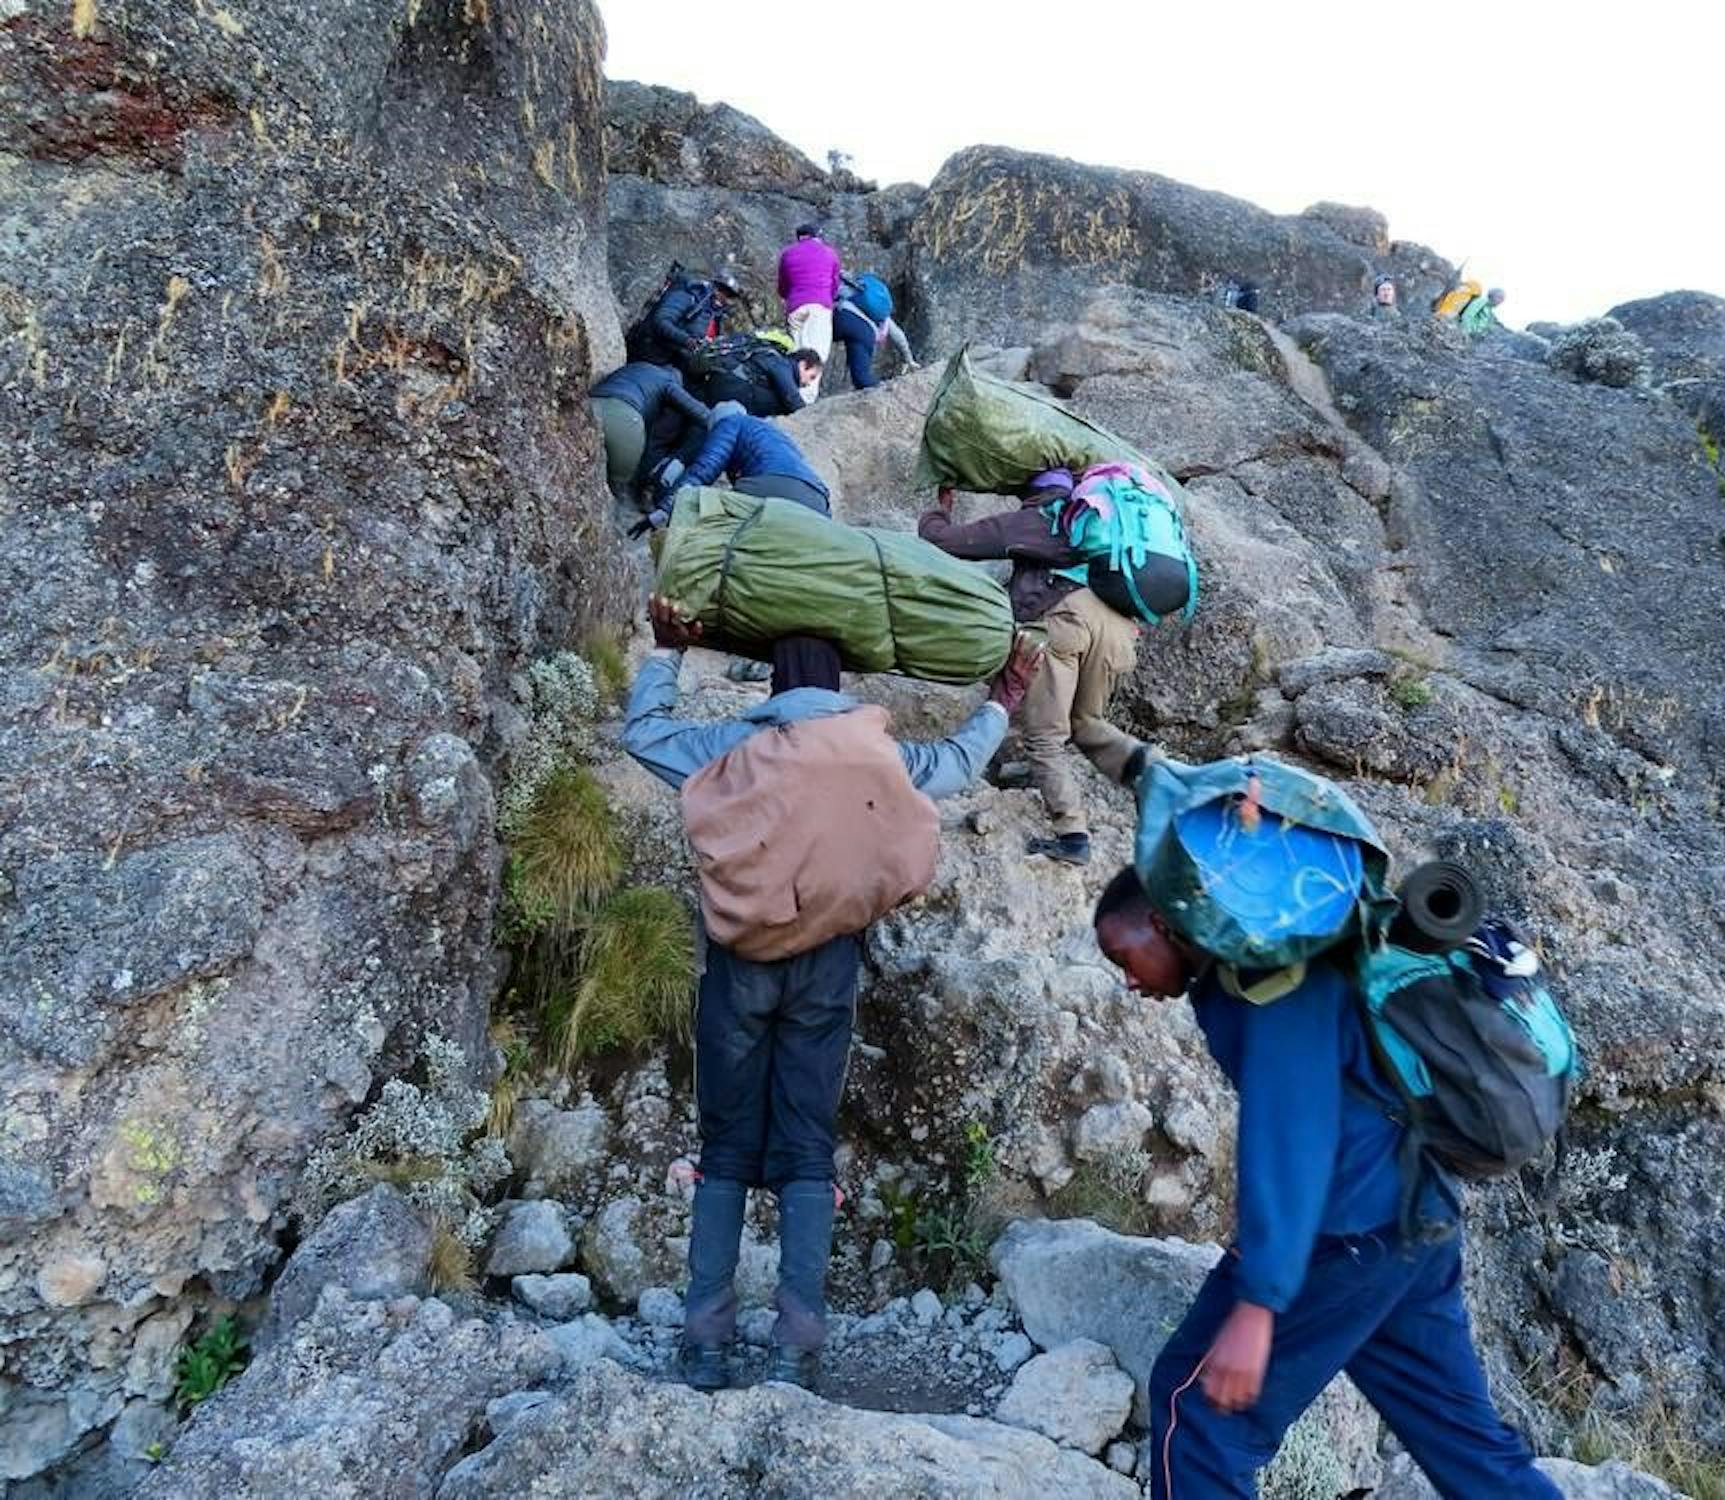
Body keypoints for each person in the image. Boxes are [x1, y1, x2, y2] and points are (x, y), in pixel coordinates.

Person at [625, 602, 1044, 1391]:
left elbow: (642, 734)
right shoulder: (877, 751)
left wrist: (666, 653)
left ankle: (706, 1340)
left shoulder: (737, 743)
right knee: (808, 1147)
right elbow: (958, 763)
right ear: (838, 684)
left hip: (740, 964)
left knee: (724, 1149)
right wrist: (1004, 696)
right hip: (828, 965)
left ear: (777, 681)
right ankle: (798, 1345)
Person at [1091, 865, 1565, 1500]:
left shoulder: (1264, 978)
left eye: (1123, 955)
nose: (1127, 978)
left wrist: (1259, 1302)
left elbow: (1294, 1134)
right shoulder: (1267, 954)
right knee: (1462, 1438)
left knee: (1198, 1414)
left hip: (1346, 1231)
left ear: (1159, 922)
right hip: (1415, 1216)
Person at [918, 470, 1139, 867]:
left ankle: (1072, 835)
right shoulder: (1096, 516)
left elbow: (941, 541)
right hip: (1119, 626)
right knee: (1088, 723)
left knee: (1045, 737)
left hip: (1066, 620)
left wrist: (941, 509)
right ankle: (1153, 778)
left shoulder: (1039, 516)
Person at [631, 411, 831, 535]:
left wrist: (662, 512)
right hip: (819, 499)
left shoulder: (729, 423)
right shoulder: (774, 434)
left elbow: (701, 474)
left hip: (771, 485)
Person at [587, 360, 712, 504]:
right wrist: (720, 419)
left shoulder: (637, 366)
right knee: (617, 489)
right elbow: (698, 411)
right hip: (624, 419)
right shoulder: (668, 381)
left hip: (591, 405)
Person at [631, 268, 746, 369]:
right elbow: (661, 320)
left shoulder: (715, 314)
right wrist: (687, 340)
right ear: (714, 286)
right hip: (649, 354)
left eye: (729, 295)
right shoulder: (689, 295)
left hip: (674, 363)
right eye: (722, 290)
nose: (724, 297)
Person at [692, 340, 823, 419]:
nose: (808, 383)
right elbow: (791, 398)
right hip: (728, 391)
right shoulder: (782, 365)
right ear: (803, 364)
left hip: (724, 392)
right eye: (811, 376)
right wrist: (810, 415)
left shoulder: (778, 363)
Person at [831, 275, 917, 391]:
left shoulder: (852, 288)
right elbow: (899, 336)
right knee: (862, 379)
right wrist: (909, 360)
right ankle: (882, 392)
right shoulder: (881, 313)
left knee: (812, 349)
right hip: (864, 332)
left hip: (840, 317)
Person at [777, 224, 841, 366]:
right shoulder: (829, 253)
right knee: (817, 356)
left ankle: (795, 387)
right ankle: (810, 388)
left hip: (795, 308)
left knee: (797, 355)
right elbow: (835, 286)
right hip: (820, 306)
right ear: (818, 236)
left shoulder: (787, 254)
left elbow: (782, 287)